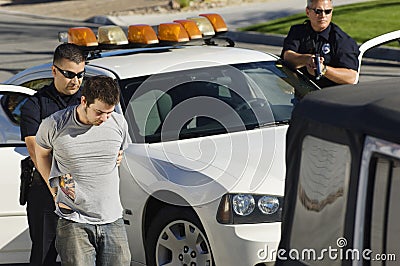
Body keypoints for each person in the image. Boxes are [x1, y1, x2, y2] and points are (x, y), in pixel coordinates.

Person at [34, 76, 131, 266]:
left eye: (109, 113)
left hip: (112, 218)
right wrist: (53, 189)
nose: (104, 119)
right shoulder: (55, 124)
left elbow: (119, 152)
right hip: (73, 220)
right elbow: (41, 153)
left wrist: (117, 156)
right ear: (84, 101)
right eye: (99, 112)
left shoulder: (119, 123)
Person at [20, 43, 86, 265]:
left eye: (80, 75)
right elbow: (35, 150)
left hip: (85, 187)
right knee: (44, 255)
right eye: (69, 74)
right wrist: (60, 193)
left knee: (83, 254)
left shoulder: (88, 102)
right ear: (54, 71)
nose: (75, 81)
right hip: (47, 191)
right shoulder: (34, 105)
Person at [281, 0, 360, 88]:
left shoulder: (342, 40)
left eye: (327, 11)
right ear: (308, 12)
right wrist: (307, 60)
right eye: (318, 11)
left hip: (330, 95)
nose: (323, 16)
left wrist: (323, 69)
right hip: (300, 93)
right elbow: (287, 57)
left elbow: (351, 77)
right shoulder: (298, 32)